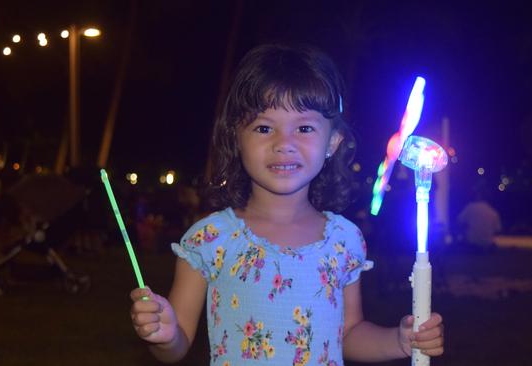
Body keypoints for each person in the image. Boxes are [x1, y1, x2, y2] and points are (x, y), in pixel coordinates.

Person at [130, 44, 444, 365]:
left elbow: (348, 334)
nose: (284, 144)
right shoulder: (210, 238)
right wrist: (165, 335)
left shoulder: (343, 240)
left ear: (332, 142)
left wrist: (399, 340)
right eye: (264, 128)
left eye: (304, 128)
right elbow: (177, 341)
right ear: (236, 138)